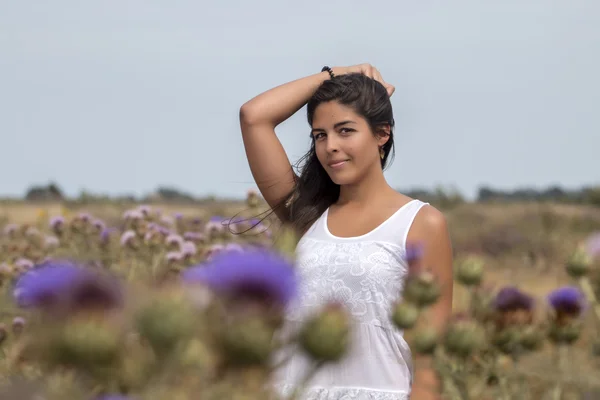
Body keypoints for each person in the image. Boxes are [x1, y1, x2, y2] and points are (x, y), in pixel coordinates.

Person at [239, 64, 454, 400]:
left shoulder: (420, 223)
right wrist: (335, 73)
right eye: (320, 135)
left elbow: (430, 359)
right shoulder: (305, 215)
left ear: (382, 134)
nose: (330, 146)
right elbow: (253, 116)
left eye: (345, 130)